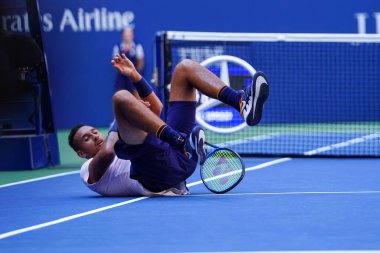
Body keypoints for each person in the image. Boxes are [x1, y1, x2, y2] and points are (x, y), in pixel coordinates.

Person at [68, 53, 269, 197]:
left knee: (184, 68)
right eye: (86, 138)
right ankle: (181, 141)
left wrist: (135, 77)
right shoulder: (87, 170)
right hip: (157, 177)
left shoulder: (123, 133)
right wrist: (122, 120)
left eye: (93, 131)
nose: (94, 136)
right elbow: (107, 153)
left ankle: (241, 103)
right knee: (120, 97)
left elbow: (156, 107)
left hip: (179, 153)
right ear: (81, 153)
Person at [113, 27, 144, 93]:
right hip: (121, 78)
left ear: (132, 35)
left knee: (136, 98)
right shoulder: (117, 47)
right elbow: (115, 63)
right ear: (122, 36)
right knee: (120, 97)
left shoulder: (137, 47)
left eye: (129, 34)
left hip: (134, 77)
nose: (127, 36)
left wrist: (134, 74)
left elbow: (140, 63)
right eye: (126, 34)